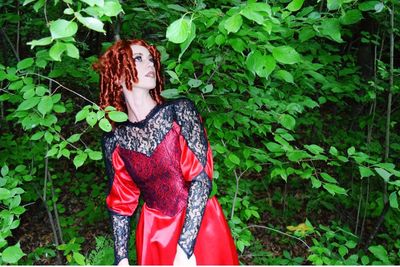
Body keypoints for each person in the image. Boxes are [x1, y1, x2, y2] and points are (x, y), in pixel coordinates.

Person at [93, 39, 239, 266]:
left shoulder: (179, 112)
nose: (150, 64)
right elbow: (121, 203)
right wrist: (121, 259)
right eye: (138, 59)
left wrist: (185, 249)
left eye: (150, 59)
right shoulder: (114, 140)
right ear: (118, 75)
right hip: (155, 234)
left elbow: (201, 180)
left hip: (200, 224)